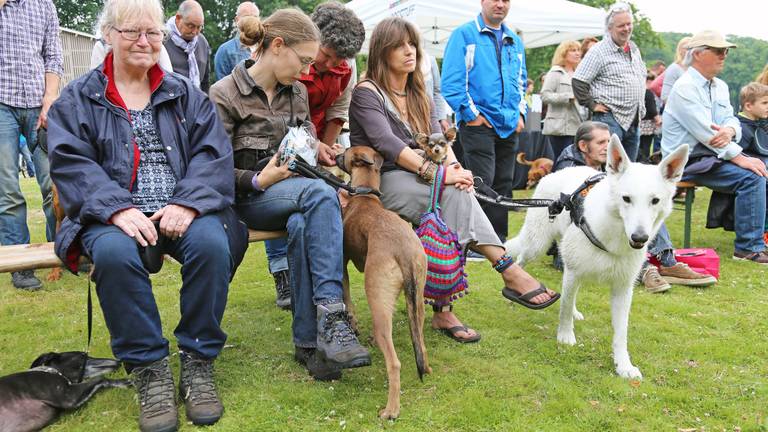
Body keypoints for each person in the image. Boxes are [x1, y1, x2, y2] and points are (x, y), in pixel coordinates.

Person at [47, 0, 249, 430]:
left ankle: (197, 360)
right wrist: (117, 208)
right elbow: (70, 163)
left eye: (153, 33)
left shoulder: (185, 93)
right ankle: (149, 369)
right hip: (111, 214)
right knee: (116, 255)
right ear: (108, 35)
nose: (145, 41)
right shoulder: (78, 97)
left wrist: (188, 201)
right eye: (132, 32)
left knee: (213, 243)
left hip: (180, 208)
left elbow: (214, 154)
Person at [349, 17, 560, 344]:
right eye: (400, 45)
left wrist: (458, 171)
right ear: (381, 52)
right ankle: (501, 273)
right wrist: (442, 174)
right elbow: (387, 145)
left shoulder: (418, 91)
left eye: (412, 45)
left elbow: (441, 141)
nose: (410, 51)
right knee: (453, 197)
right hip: (384, 180)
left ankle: (457, 301)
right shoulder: (367, 93)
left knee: (458, 196)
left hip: (426, 179)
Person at [209, 10, 371, 380]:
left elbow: (301, 148)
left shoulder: (296, 92)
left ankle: (309, 345)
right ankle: (333, 314)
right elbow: (213, 173)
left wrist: (319, 157)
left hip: (294, 196)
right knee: (318, 196)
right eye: (304, 61)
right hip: (245, 199)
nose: (306, 71)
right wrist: (259, 180)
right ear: (277, 46)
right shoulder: (223, 95)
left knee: (303, 221)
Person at [261, 1, 366, 311]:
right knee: (284, 191)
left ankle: (313, 282)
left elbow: (338, 109)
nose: (328, 64)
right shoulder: (285, 60)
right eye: (326, 54)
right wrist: (308, 145)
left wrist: (324, 148)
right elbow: (271, 114)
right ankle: (281, 269)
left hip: (315, 133)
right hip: (278, 138)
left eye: (338, 59)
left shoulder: (343, 69)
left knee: (319, 198)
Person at [555, 121, 716, 291]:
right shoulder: (569, 168)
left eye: (609, 142)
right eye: (600, 143)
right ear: (583, 145)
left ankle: (667, 261)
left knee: (645, 204)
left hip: (614, 242)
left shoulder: (610, 165)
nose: (607, 147)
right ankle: (646, 268)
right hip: (580, 248)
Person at [663, 30, 768, 264]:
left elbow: (731, 120)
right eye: (719, 51)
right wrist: (742, 158)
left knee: (761, 167)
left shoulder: (719, 85)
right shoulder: (684, 87)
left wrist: (730, 130)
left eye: (726, 51)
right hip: (686, 160)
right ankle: (747, 248)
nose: (725, 55)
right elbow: (707, 134)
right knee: (753, 176)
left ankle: (758, 240)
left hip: (711, 156)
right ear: (698, 54)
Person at [441, 0, 529, 247]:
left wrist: (520, 114)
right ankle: (476, 240)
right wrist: (472, 116)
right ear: (482, 2)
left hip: (508, 124)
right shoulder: (464, 35)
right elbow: (452, 83)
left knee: (504, 181)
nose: (500, 4)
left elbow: (521, 81)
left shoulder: (515, 40)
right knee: (482, 180)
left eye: (505, 0)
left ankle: (497, 240)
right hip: (478, 125)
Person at [0, 0, 62, 291]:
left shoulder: (44, 5)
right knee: (9, 189)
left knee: (55, 186)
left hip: (40, 105)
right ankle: (21, 265)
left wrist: (50, 99)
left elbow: (53, 56)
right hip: (2, 106)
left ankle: (61, 252)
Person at [573, 2, 646, 162]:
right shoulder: (598, 50)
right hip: (609, 119)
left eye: (629, 24)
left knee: (628, 170)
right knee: (609, 167)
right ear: (610, 28)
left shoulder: (634, 49)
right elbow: (578, 80)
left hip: (633, 119)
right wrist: (591, 104)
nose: (626, 29)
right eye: (621, 25)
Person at [541, 40, 583, 160]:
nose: (577, 53)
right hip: (559, 128)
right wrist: (568, 97)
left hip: (577, 126)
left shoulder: (579, 74)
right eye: (573, 50)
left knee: (575, 160)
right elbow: (545, 96)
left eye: (578, 50)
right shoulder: (555, 72)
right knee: (562, 160)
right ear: (563, 54)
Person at [164, 0, 211, 92]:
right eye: (191, 26)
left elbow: (205, 81)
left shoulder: (202, 42)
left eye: (199, 27)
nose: (195, 32)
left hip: (197, 102)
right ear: (178, 18)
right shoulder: (161, 39)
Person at [213, 1, 260, 81]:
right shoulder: (225, 50)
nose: (252, 21)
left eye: (255, 17)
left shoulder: (267, 47)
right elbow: (222, 88)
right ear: (236, 20)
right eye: (247, 17)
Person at [659, 36, 692, 104]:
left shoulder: (693, 69)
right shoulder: (674, 68)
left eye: (692, 48)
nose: (690, 51)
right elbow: (665, 96)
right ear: (680, 50)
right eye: (687, 48)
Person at [638, 71, 661, 163]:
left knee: (639, 145)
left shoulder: (639, 91)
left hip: (640, 122)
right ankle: (645, 161)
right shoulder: (649, 93)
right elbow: (652, 109)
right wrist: (658, 119)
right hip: (647, 124)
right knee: (646, 146)